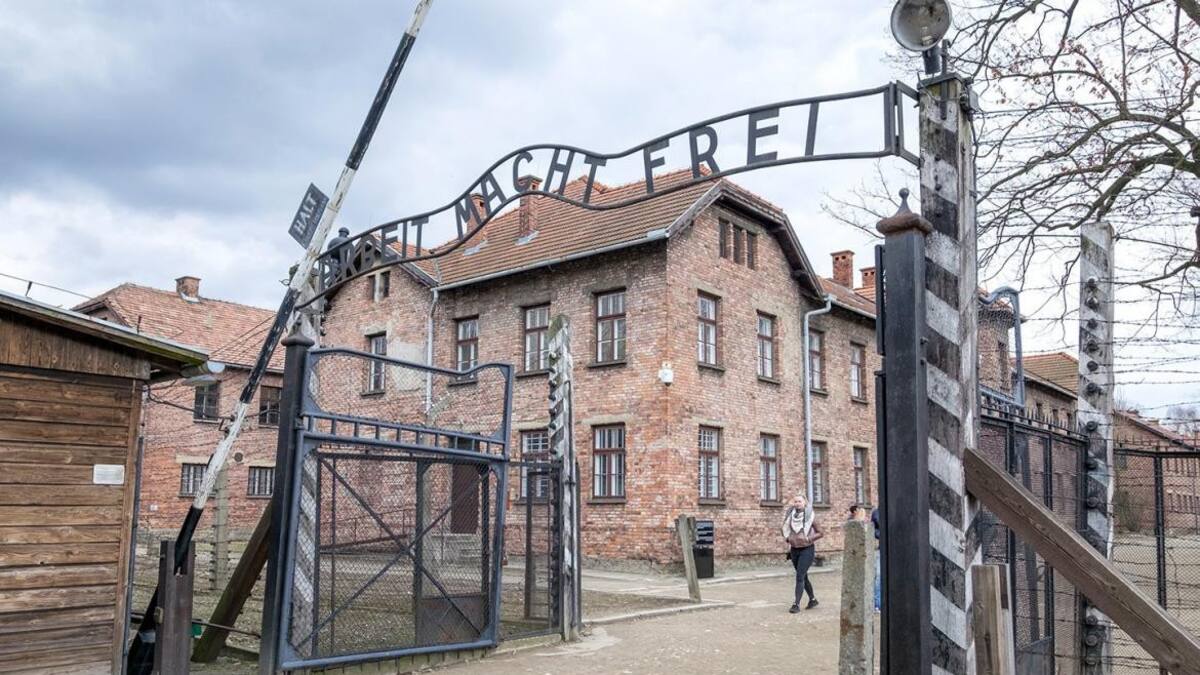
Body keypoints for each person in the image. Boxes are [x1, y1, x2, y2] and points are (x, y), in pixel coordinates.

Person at [781, 492, 823, 613]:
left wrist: (809, 538)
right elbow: (785, 529)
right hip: (794, 549)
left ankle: (796, 604)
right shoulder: (790, 515)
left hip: (807, 549)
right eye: (795, 501)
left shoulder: (810, 516)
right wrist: (787, 538)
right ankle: (813, 599)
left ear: (805, 503)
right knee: (803, 576)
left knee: (800, 576)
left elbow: (821, 532)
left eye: (799, 501)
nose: (797, 503)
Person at [871, 506, 881, 611]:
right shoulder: (877, 512)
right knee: (878, 576)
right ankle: (877, 604)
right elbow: (873, 529)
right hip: (882, 548)